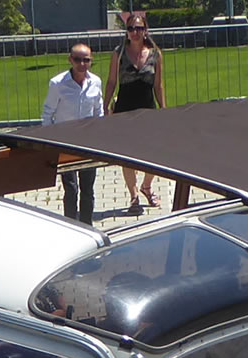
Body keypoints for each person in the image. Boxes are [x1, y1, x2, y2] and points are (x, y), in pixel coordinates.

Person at [105, 10, 165, 211]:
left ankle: (147, 186)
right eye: (131, 29)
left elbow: (158, 86)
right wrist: (105, 106)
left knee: (155, 152)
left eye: (139, 28)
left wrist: (164, 110)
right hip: (125, 109)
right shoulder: (119, 53)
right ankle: (133, 196)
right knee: (127, 155)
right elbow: (112, 81)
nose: (135, 32)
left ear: (145, 30)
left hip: (148, 109)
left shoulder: (156, 54)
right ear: (127, 32)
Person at [38, 44, 106, 223]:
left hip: (89, 142)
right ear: (70, 60)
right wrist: (51, 140)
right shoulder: (58, 83)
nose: (82, 64)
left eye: (86, 60)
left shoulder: (96, 82)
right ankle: (71, 224)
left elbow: (98, 110)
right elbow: (47, 113)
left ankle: (87, 225)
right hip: (65, 142)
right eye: (78, 59)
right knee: (71, 188)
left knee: (88, 188)